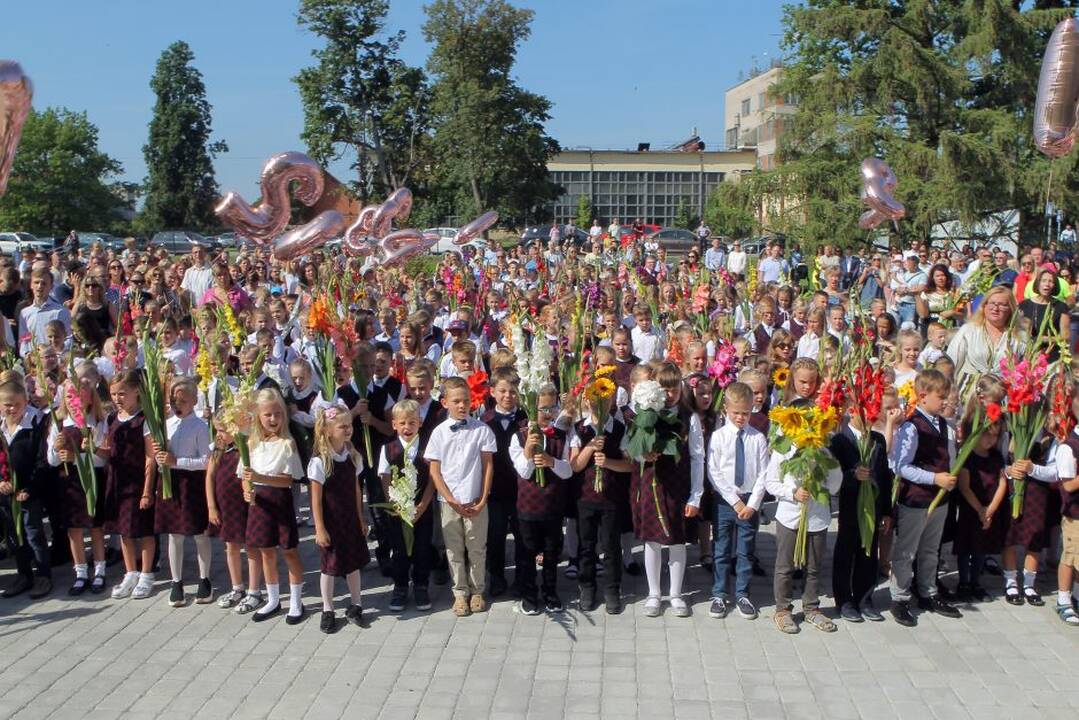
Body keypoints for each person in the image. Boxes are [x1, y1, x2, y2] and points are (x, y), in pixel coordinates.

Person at [888, 369, 963, 626]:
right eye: (940, 396)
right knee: (907, 550)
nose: (945, 401)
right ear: (922, 396)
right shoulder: (912, 426)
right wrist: (935, 478)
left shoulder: (943, 424)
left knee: (931, 549)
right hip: (917, 499)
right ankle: (899, 597)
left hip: (939, 499)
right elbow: (901, 466)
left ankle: (928, 591)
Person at [630, 363, 704, 619]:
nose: (670, 395)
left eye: (675, 389)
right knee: (652, 540)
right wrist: (644, 453)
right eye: (665, 389)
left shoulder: (689, 417)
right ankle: (653, 593)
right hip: (652, 482)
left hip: (678, 484)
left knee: (676, 540)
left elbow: (697, 457)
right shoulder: (646, 413)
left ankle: (675, 593)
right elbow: (633, 449)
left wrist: (696, 495)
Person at [764, 398, 842, 634]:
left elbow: (836, 484)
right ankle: (783, 609)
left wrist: (826, 472)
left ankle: (811, 608)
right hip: (790, 516)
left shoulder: (822, 449)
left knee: (814, 566)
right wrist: (792, 493)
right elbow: (771, 482)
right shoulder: (784, 450)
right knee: (785, 565)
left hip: (817, 517)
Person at [424, 376, 496, 617]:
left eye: (466, 400)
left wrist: (483, 498)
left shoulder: (482, 430)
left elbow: (487, 467)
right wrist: (451, 500)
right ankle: (459, 592)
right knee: (453, 549)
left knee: (477, 547)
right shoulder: (438, 433)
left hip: (476, 499)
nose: (463, 405)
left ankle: (477, 590)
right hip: (449, 501)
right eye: (457, 401)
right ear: (445, 403)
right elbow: (435, 471)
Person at [240, 388, 307, 624]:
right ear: (258, 415)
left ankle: (297, 601)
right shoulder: (252, 442)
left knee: (288, 550)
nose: (273, 419)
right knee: (265, 551)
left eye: (277, 414)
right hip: (259, 505)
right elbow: (244, 474)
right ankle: (273, 598)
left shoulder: (287, 443)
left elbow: (289, 479)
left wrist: (261, 478)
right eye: (267, 415)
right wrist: (247, 490)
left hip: (279, 501)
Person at [706, 382, 769, 620]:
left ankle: (743, 593)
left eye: (746, 412)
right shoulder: (719, 436)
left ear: (753, 408)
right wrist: (734, 501)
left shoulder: (758, 438)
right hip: (725, 501)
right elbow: (714, 472)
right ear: (726, 409)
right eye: (736, 413)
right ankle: (719, 594)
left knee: (745, 550)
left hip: (749, 500)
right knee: (721, 548)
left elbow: (764, 473)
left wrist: (752, 504)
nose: (741, 417)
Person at [510, 384, 573, 614]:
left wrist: (550, 461)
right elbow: (524, 472)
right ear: (530, 408)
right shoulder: (518, 437)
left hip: (552, 506)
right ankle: (529, 594)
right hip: (527, 506)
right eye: (542, 408)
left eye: (552, 407)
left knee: (551, 552)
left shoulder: (560, 436)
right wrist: (528, 449)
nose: (547, 413)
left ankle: (550, 591)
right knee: (526, 552)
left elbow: (568, 471)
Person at [47, 361, 109, 595]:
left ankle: (100, 570)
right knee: (74, 528)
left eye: (81, 399)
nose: (76, 405)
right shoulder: (60, 422)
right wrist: (57, 449)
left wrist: (87, 451)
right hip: (69, 483)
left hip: (92, 481)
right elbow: (52, 460)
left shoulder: (97, 422)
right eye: (71, 399)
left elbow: (102, 461)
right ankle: (80, 572)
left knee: (95, 526)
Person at [150, 378, 213, 607]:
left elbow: (206, 461)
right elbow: (160, 457)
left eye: (184, 401)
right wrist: (161, 458)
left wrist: (177, 461)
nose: (178, 405)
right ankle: (176, 582)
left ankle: (204, 578)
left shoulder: (200, 426)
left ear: (194, 401)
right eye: (174, 401)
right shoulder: (166, 424)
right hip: (170, 482)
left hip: (192, 482)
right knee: (174, 534)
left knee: (199, 533)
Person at [829, 395, 891, 622]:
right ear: (853, 411)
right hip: (849, 506)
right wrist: (851, 476)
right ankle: (844, 599)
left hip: (873, 507)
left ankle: (864, 597)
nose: (871, 416)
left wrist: (886, 511)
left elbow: (884, 476)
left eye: (875, 410)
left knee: (869, 552)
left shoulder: (878, 440)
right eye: (866, 410)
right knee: (846, 551)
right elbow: (833, 479)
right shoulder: (840, 441)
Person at [309, 403, 368, 633]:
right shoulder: (320, 461)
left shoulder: (352, 456)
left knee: (353, 563)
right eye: (342, 426)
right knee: (329, 567)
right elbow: (315, 499)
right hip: (331, 522)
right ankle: (327, 608)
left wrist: (361, 517)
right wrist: (320, 528)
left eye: (349, 425)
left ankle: (356, 604)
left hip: (350, 520)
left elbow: (356, 489)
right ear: (328, 430)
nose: (348, 429)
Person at [103, 370, 156, 601]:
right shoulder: (112, 418)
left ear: (137, 392)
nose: (117, 398)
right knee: (123, 530)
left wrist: (147, 490)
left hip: (137, 481)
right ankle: (130, 572)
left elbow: (149, 456)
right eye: (113, 393)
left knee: (143, 529)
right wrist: (89, 447)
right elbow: (108, 451)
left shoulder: (144, 420)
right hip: (118, 481)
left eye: (122, 393)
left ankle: (147, 574)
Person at [379, 400, 436, 613]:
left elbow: (432, 478)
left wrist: (423, 505)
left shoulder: (427, 448)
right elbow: (384, 477)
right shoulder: (387, 449)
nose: (407, 427)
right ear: (394, 424)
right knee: (400, 550)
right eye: (402, 423)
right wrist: (394, 503)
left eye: (412, 422)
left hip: (422, 508)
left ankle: (421, 585)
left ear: (420, 423)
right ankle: (400, 586)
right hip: (397, 510)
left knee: (421, 548)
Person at [0, 374, 51, 599]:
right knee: (13, 534)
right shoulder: (1, 427)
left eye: (17, 405)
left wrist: (29, 488)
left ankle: (43, 575)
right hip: (6, 492)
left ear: (26, 402)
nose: (12, 409)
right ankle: (24, 574)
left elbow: (41, 460)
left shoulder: (34, 423)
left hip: (28, 491)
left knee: (33, 533)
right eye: (7, 405)